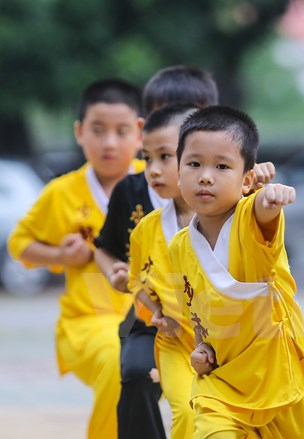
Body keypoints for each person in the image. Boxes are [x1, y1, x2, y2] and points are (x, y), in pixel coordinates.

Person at [169, 106, 304, 438]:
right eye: (194, 164)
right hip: (221, 387)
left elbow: (263, 211)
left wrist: (271, 197)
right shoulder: (179, 247)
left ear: (246, 179)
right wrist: (202, 350)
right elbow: (199, 316)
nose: (206, 176)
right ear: (178, 172)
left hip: (281, 383)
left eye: (222, 166)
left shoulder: (250, 220)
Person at [8, 79, 144, 439]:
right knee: (119, 362)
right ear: (80, 132)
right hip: (88, 323)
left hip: (153, 317)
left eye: (121, 130)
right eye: (98, 130)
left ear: (140, 132)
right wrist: (60, 255)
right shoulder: (62, 193)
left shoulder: (157, 184)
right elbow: (19, 244)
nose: (110, 142)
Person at [94, 65, 221, 439]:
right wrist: (117, 272)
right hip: (153, 317)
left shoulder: (225, 189)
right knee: (135, 374)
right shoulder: (132, 192)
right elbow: (105, 249)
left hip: (216, 322)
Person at [127, 104, 200, 439]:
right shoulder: (147, 229)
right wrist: (156, 312)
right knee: (186, 412)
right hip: (178, 346)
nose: (152, 170)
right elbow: (136, 280)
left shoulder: (237, 216)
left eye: (165, 157)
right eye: (147, 158)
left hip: (234, 346)